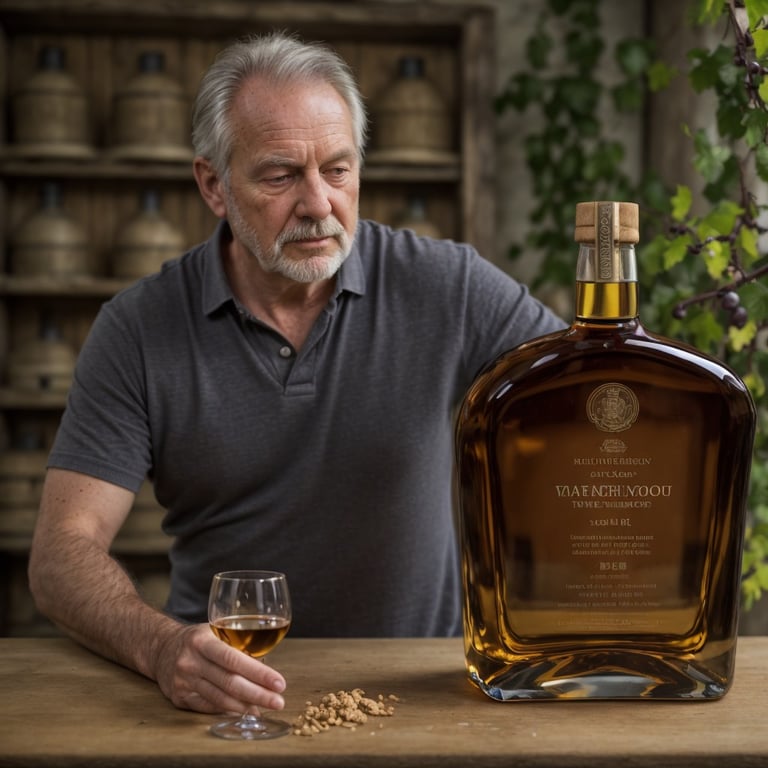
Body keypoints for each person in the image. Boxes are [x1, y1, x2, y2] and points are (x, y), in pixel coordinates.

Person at [27, 32, 565, 718]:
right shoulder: (137, 328)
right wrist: (160, 648)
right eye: (280, 176)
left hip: (418, 697)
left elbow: (586, 396)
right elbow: (60, 555)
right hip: (221, 693)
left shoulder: (449, 286)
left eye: (337, 170)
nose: (318, 204)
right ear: (214, 185)